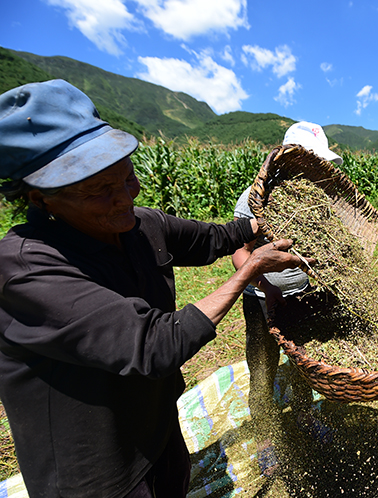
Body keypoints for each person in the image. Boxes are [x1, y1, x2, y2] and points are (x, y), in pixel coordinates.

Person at [0, 79, 310, 497]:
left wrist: (262, 223)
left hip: (156, 428)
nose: (124, 197)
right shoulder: (25, 270)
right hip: (92, 467)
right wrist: (248, 272)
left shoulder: (141, 224)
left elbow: (215, 238)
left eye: (127, 178)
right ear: (42, 200)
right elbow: (153, 345)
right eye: (100, 191)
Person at [231, 122, 340, 475]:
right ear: (289, 157)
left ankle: (306, 417)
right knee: (262, 368)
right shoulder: (254, 199)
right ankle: (266, 438)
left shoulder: (314, 198)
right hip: (261, 298)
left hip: (300, 296)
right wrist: (267, 287)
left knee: (302, 364)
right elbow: (239, 253)